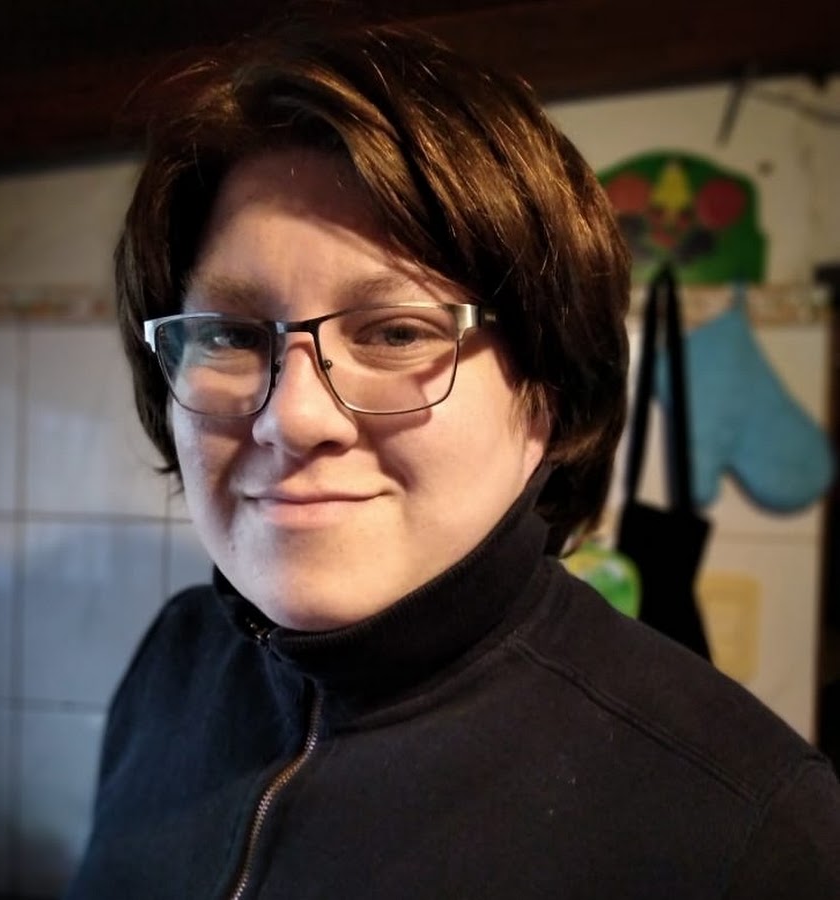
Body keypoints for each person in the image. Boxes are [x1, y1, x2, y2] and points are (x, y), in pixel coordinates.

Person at [65, 14, 840, 900]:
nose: (294, 416)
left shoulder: (748, 829)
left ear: (548, 390)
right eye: (231, 336)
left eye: (396, 332)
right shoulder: (176, 661)